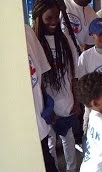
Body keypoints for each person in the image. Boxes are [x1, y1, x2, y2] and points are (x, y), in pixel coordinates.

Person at [32, 0, 80, 171]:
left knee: (69, 139)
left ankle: (72, 168)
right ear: (38, 19)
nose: (53, 22)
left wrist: (76, 99)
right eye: (48, 18)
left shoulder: (65, 40)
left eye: (56, 17)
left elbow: (74, 72)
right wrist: (47, 107)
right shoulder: (34, 43)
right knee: (51, 142)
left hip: (66, 100)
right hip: (46, 104)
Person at [25, 24, 58, 172]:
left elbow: (41, 73)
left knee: (47, 160)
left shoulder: (26, 31)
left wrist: (46, 103)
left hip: (38, 119)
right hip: (16, 128)